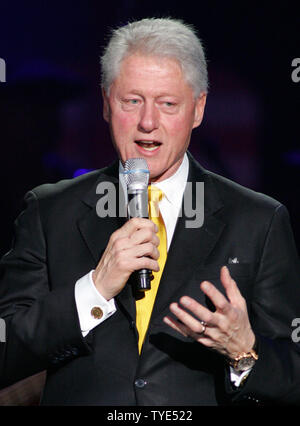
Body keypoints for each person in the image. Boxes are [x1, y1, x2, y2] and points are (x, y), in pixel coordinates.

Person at [0, 17, 300, 406]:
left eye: (168, 103)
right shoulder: (49, 211)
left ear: (199, 109)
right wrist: (93, 289)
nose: (147, 122)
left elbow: (293, 372)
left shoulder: (259, 220)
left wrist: (245, 352)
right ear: (107, 103)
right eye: (132, 101)